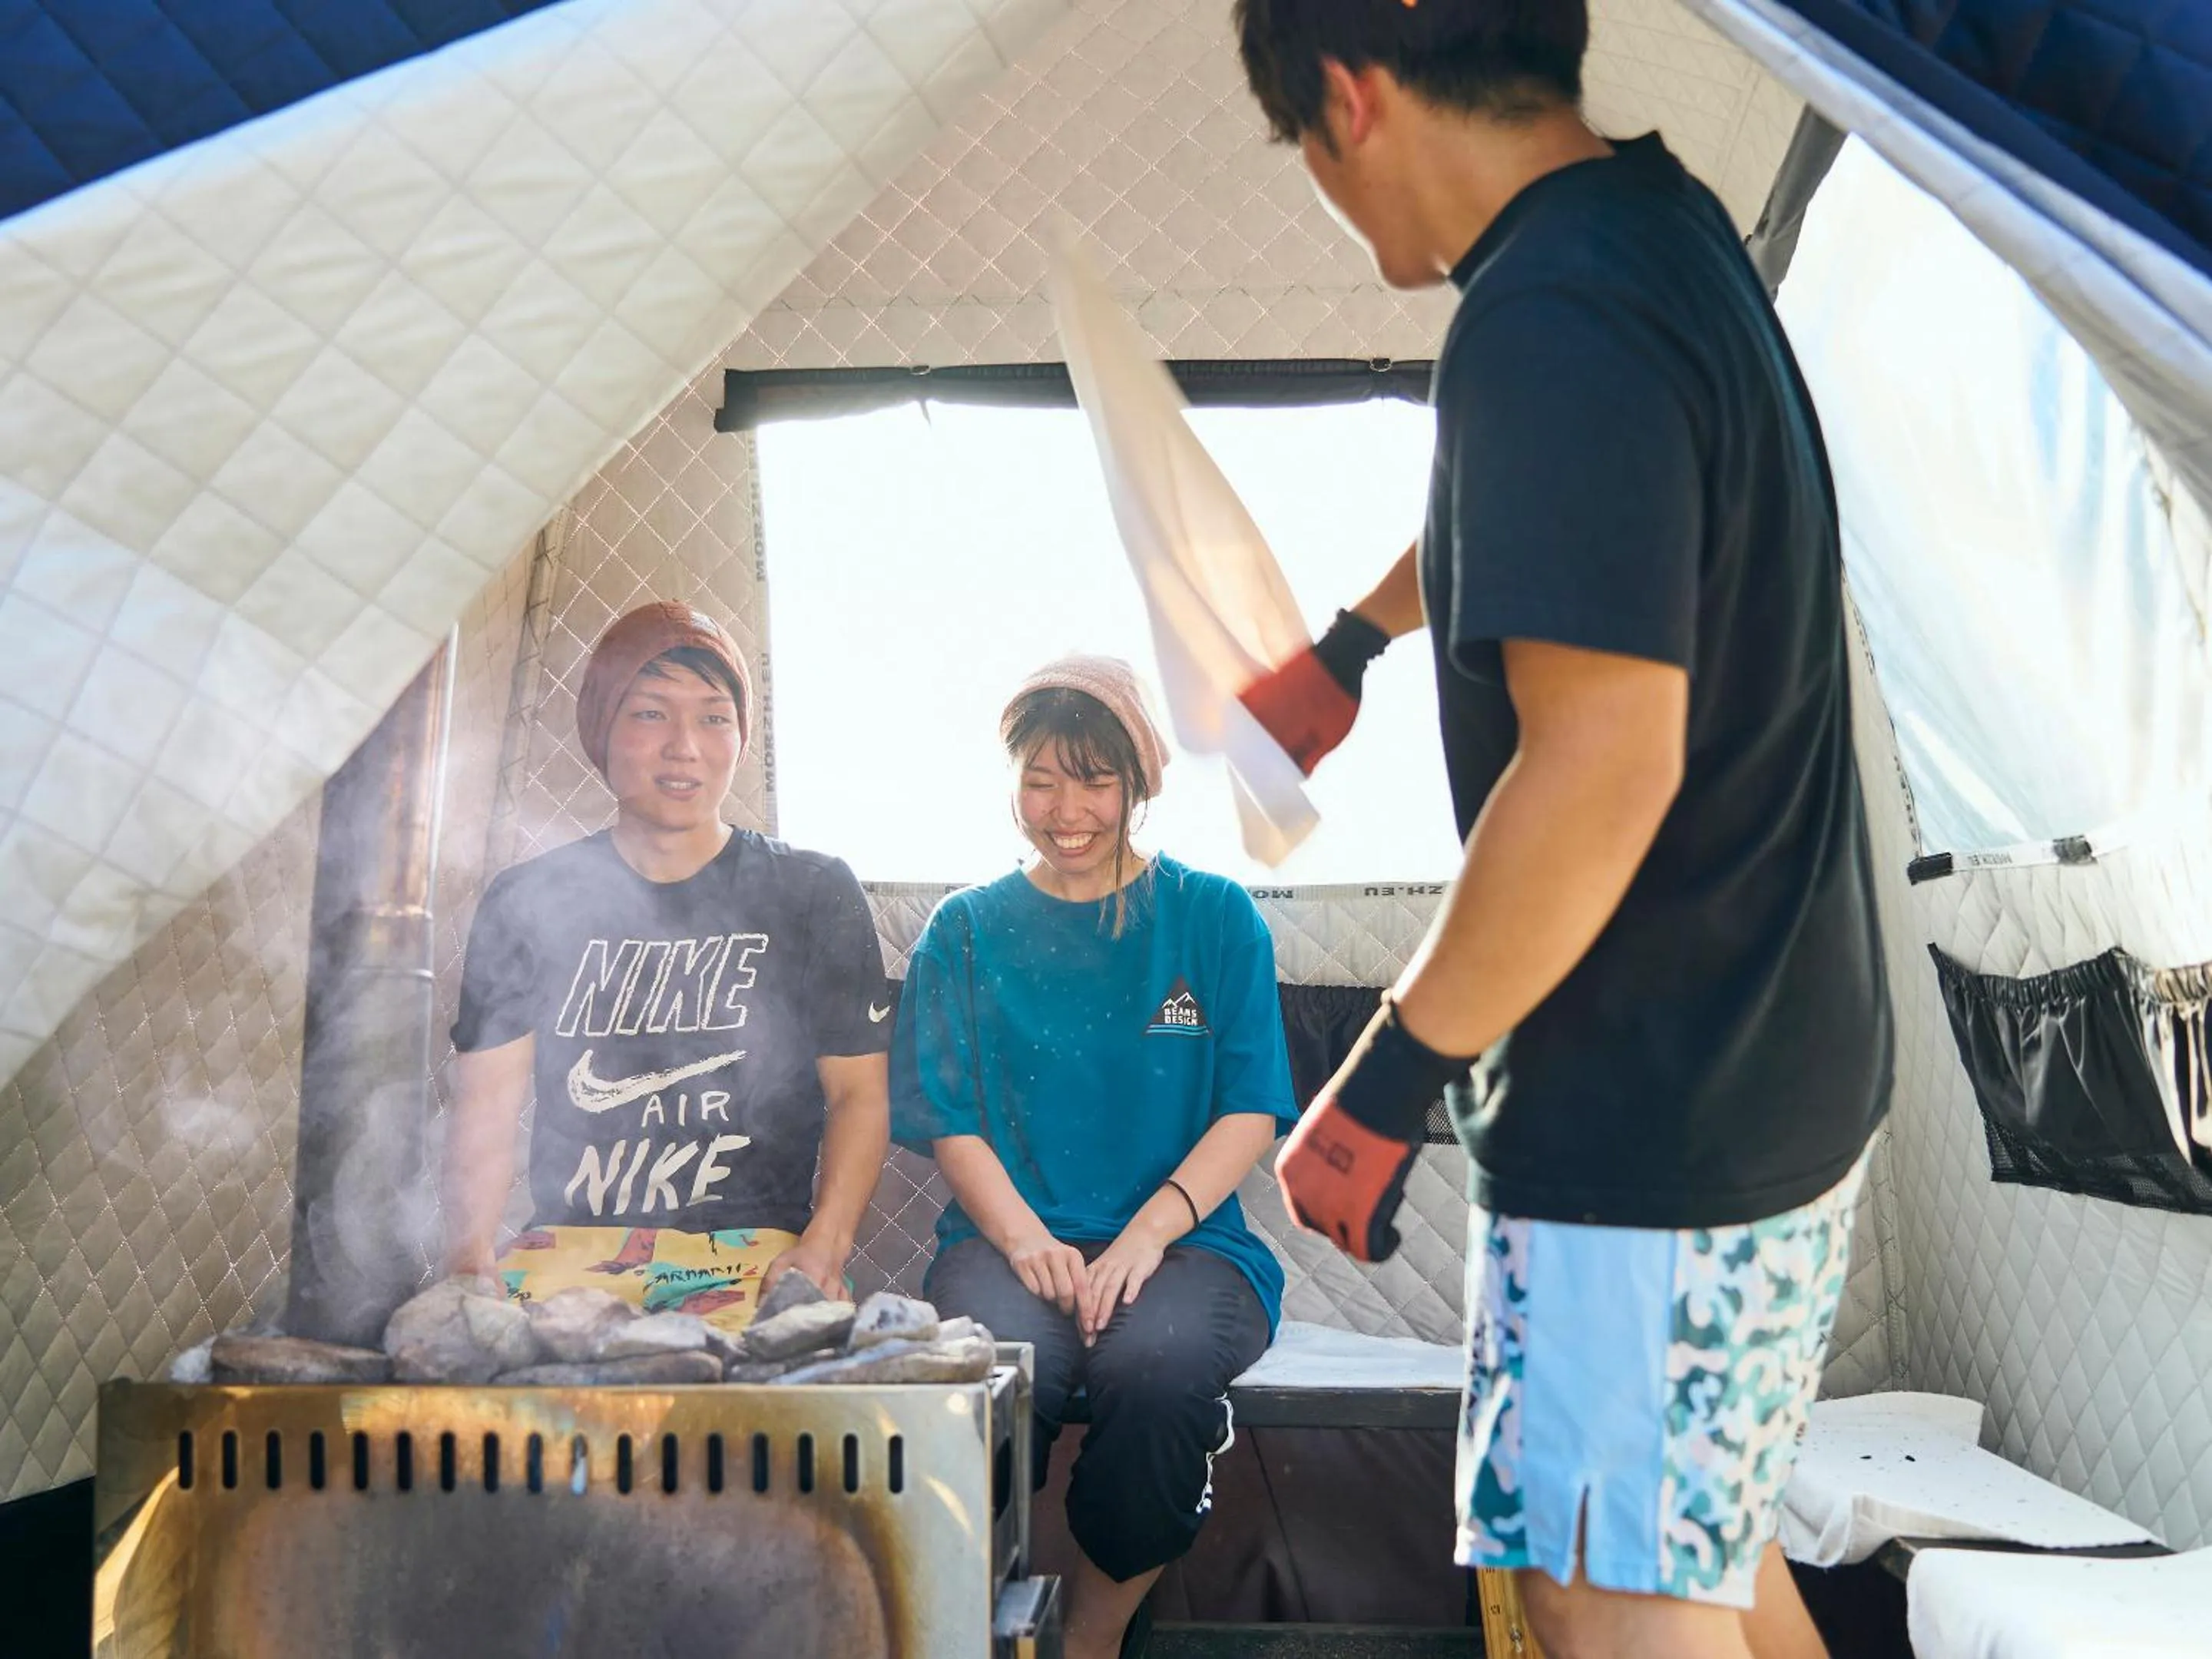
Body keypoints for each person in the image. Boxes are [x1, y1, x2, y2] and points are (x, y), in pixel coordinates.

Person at [1230, 6, 1894, 1657]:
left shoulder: (1545, 313)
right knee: (1713, 1558)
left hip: (1653, 1110)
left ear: (1345, 98)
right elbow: (1542, 495)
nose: (1322, 187)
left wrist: (1387, 1081)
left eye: (1298, 152)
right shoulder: (1643, 230)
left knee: (1612, 1606)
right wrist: (1353, 648)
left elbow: (1601, 766)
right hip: (1766, 1059)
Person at [891, 655, 1298, 1659]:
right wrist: (1028, 1243)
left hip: (1189, 1245)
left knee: (1156, 1370)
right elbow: (951, 1119)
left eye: (1094, 779)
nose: (1065, 808)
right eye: (1040, 778)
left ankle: (1092, 1640)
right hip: (1007, 1241)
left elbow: (1250, 1110)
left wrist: (1146, 1238)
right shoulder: (966, 930)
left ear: (1140, 785)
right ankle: (972, 1623)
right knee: (990, 1368)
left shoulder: (1213, 919)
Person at [442, 601, 890, 1329]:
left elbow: (859, 1097)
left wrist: (825, 1247)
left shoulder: (811, 892)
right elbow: (486, 1108)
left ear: (742, 738)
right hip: (573, 1246)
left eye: (714, 718)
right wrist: (467, 1258)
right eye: (650, 714)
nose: (685, 746)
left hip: (750, 1249)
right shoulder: (528, 899)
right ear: (603, 732)